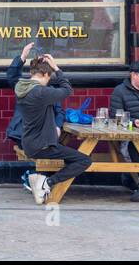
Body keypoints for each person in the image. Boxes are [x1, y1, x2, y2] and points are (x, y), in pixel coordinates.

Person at [17, 54, 91, 204]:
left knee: (68, 154)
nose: (49, 81)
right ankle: (48, 183)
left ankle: (38, 180)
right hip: (41, 146)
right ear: (45, 74)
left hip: (30, 143)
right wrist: (57, 68)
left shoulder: (22, 88)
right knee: (84, 160)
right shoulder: (40, 92)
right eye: (49, 77)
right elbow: (67, 90)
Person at [109, 61, 139, 190]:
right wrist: (133, 122)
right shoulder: (120, 91)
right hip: (132, 135)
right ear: (133, 75)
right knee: (130, 149)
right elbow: (115, 117)